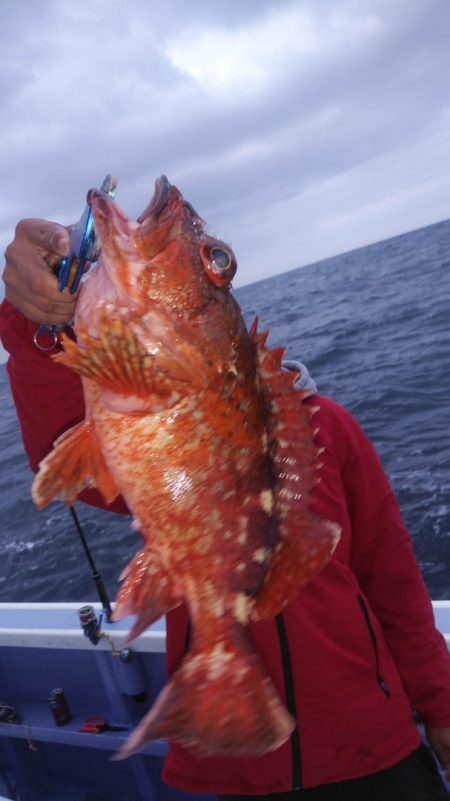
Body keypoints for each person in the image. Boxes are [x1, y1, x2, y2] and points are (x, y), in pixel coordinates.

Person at [1, 217, 450, 801]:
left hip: (378, 745)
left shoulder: (329, 428)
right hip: (242, 777)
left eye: (214, 262)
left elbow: (395, 584)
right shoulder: (134, 415)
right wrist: (36, 324)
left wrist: (439, 707)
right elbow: (62, 444)